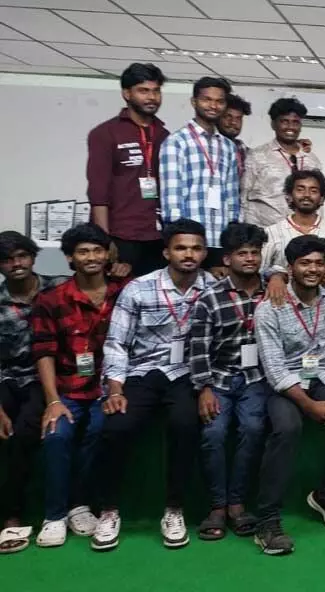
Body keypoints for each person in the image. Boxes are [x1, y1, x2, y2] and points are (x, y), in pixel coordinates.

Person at [92, 219, 214, 551]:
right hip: (141, 372)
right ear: (166, 252)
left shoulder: (214, 288)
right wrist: (115, 389)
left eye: (196, 248)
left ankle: (174, 509)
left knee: (186, 425)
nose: (188, 254)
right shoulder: (139, 288)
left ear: (205, 253)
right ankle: (109, 510)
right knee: (116, 426)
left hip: (186, 373)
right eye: (180, 248)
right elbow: (117, 343)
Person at [252, 235, 325, 556]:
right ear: (290, 268)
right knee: (287, 428)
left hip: (323, 374)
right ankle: (267, 520)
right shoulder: (269, 309)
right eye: (305, 263)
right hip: (286, 382)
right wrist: (309, 406)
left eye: (319, 263)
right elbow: (274, 370)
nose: (313, 269)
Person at [29, 224, 123, 548]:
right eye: (83, 252)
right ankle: (54, 515)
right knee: (56, 435)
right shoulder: (51, 299)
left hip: (107, 387)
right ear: (70, 258)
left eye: (98, 250)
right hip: (68, 388)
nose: (92, 257)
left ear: (107, 255)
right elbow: (43, 352)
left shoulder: (123, 293)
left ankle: (80, 506)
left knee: (100, 430)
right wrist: (53, 401)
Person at [186, 222, 270, 542]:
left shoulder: (272, 291)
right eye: (241, 253)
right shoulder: (210, 298)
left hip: (257, 377)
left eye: (255, 253)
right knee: (213, 433)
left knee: (252, 428)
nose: (249, 259)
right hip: (218, 378)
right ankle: (217, 506)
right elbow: (198, 348)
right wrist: (204, 388)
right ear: (226, 259)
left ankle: (237, 504)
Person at [0, 232, 67, 551]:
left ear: (33, 257)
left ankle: (12, 518)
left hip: (46, 379)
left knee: (24, 431)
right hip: (6, 378)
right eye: (7, 259)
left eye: (22, 256)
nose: (16, 264)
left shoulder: (58, 288)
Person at [85, 63, 171, 278]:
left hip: (157, 236)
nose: (152, 97)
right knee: (118, 293)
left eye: (156, 91)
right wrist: (104, 241)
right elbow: (98, 192)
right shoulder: (106, 133)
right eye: (143, 91)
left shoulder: (164, 135)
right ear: (126, 94)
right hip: (121, 235)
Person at [159, 77, 241, 270]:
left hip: (220, 240)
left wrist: (232, 238)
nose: (213, 106)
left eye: (219, 101)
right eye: (207, 99)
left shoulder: (228, 146)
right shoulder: (176, 142)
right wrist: (180, 239)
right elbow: (171, 198)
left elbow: (232, 198)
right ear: (194, 102)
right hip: (189, 243)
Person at [242, 98, 322, 228]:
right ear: (273, 124)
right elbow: (243, 196)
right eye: (284, 121)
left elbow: (319, 199)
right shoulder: (257, 156)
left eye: (295, 122)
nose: (290, 127)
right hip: (264, 231)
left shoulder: (312, 160)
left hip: (302, 232)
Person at [261, 170, 325, 275]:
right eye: (300, 190)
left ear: (322, 199)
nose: (307, 195)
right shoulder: (271, 233)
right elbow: (261, 270)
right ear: (289, 196)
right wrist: (276, 275)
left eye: (313, 191)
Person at [218, 93, 251, 178]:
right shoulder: (208, 147)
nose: (233, 122)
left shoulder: (244, 151)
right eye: (228, 116)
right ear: (217, 117)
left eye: (238, 118)